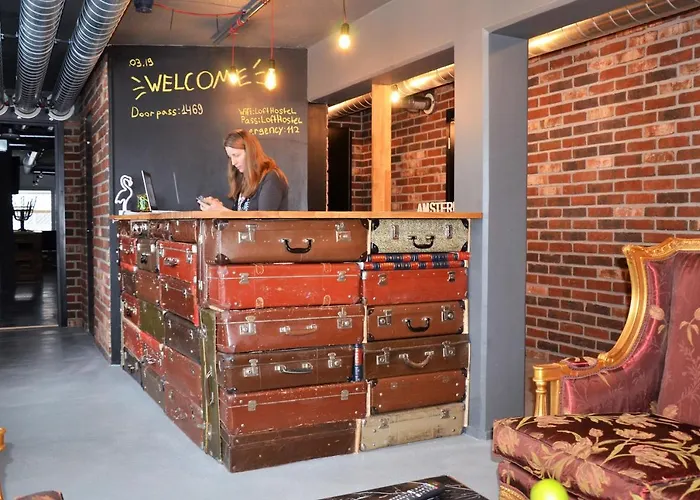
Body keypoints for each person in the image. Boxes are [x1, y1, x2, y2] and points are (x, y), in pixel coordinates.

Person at [198, 129, 289, 211]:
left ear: (251, 152)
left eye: (236, 155)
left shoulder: (271, 178)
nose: (233, 162)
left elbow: (264, 220)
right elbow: (238, 219)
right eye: (230, 157)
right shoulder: (244, 180)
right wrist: (217, 208)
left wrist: (221, 211)